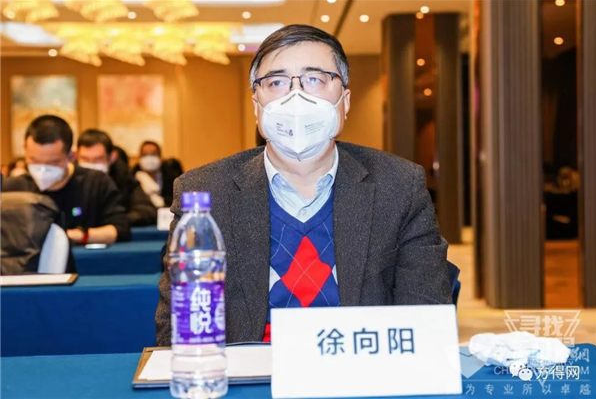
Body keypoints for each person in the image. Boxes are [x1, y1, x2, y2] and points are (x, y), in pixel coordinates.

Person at [155, 24, 451, 345]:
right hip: (249, 371)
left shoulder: (398, 186)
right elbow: (179, 333)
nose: (296, 97)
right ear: (256, 106)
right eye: (277, 82)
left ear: (344, 101)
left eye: (314, 79)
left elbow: (427, 325)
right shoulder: (205, 192)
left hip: (360, 367)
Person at [3, 115, 130, 244]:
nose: (43, 169)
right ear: (25, 149)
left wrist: (76, 236)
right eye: (34, 160)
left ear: (71, 156)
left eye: (53, 162)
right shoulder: (12, 189)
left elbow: (120, 229)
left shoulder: (96, 183)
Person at [77, 129, 157, 227]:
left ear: (112, 157)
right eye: (85, 159)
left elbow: (147, 210)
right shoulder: (69, 177)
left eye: (98, 159)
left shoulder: (123, 177)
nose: (91, 165)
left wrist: (117, 220)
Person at [132, 141, 183, 208]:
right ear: (139, 158)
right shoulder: (133, 178)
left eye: (153, 154)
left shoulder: (171, 176)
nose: (149, 158)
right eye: (145, 154)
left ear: (160, 157)